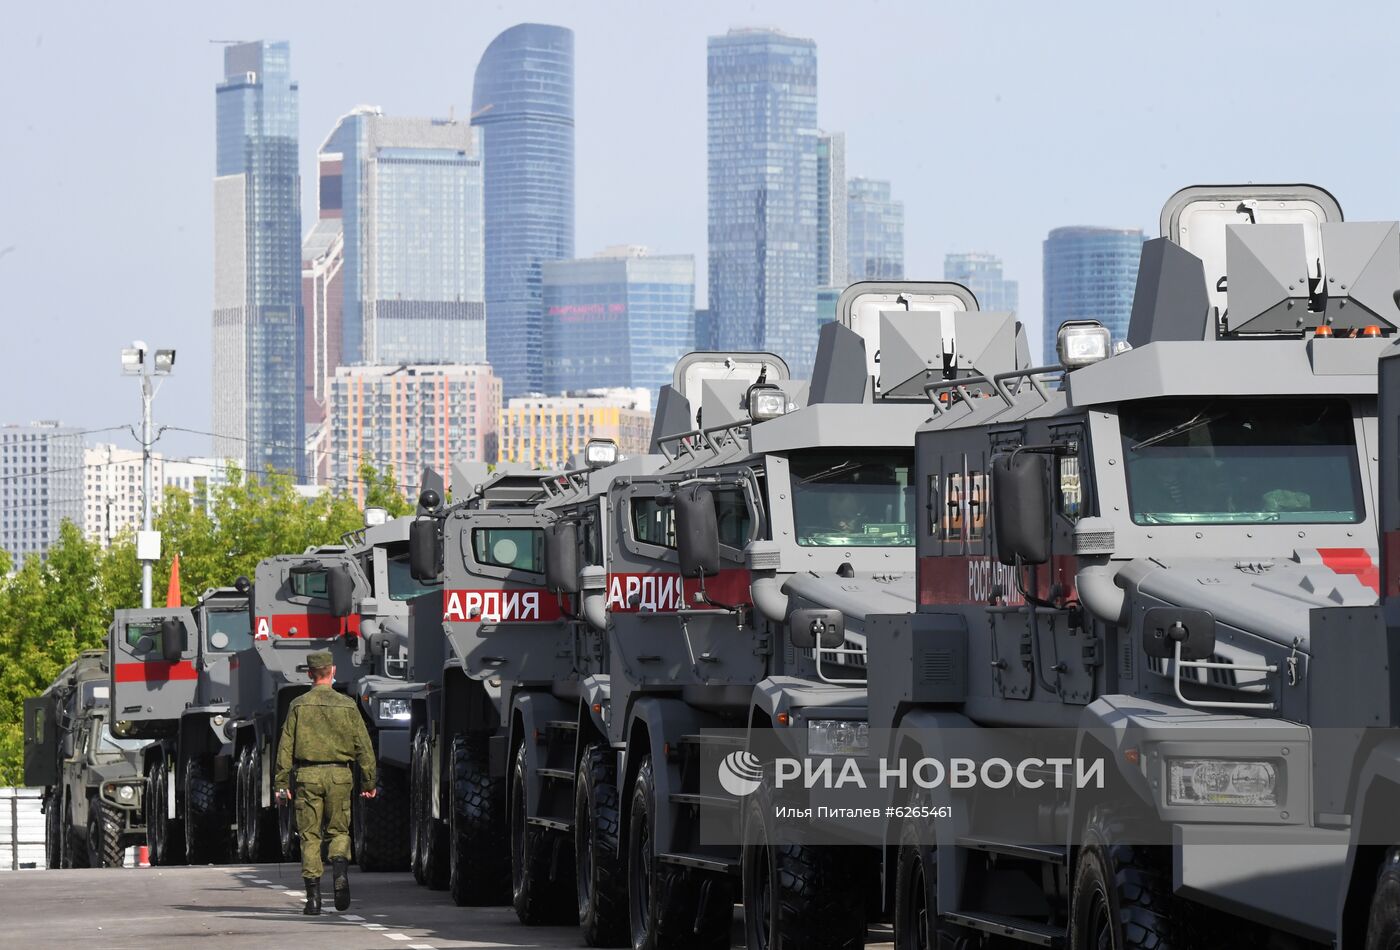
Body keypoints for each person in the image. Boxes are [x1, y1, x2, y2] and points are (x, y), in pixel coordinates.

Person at [274, 650, 377, 915]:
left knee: (309, 836)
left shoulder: (298, 705)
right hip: (340, 776)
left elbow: (285, 747)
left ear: (310, 674)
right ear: (333, 671)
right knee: (339, 832)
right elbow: (364, 747)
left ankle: (314, 899)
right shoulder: (347, 705)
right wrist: (368, 782)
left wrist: (281, 783)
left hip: (307, 776)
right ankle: (340, 871)